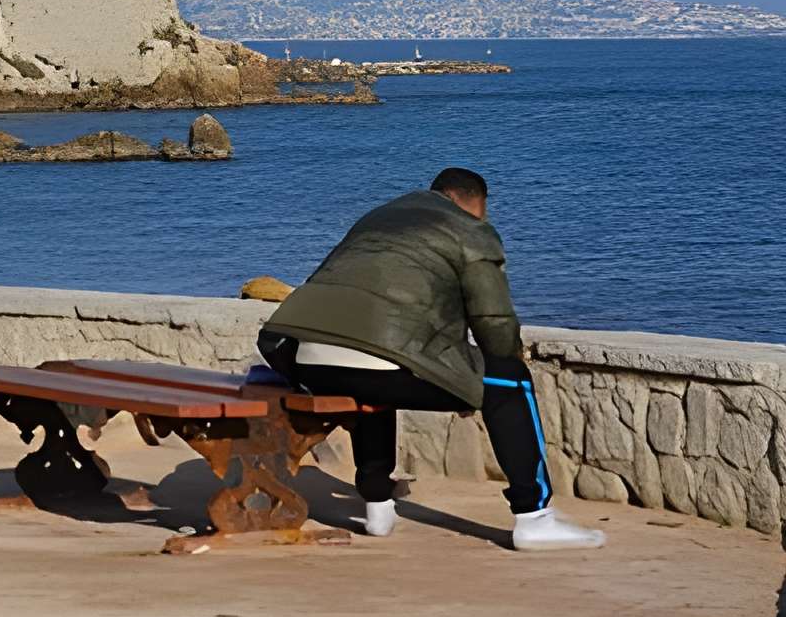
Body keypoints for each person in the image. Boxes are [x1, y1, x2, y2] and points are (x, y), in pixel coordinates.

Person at [258, 166, 603, 550]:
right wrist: (474, 380)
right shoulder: (470, 230)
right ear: (473, 203)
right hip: (376, 357)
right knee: (509, 379)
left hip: (308, 359)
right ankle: (534, 516)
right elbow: (495, 323)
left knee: (375, 378)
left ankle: (377, 506)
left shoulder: (378, 218)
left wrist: (463, 374)